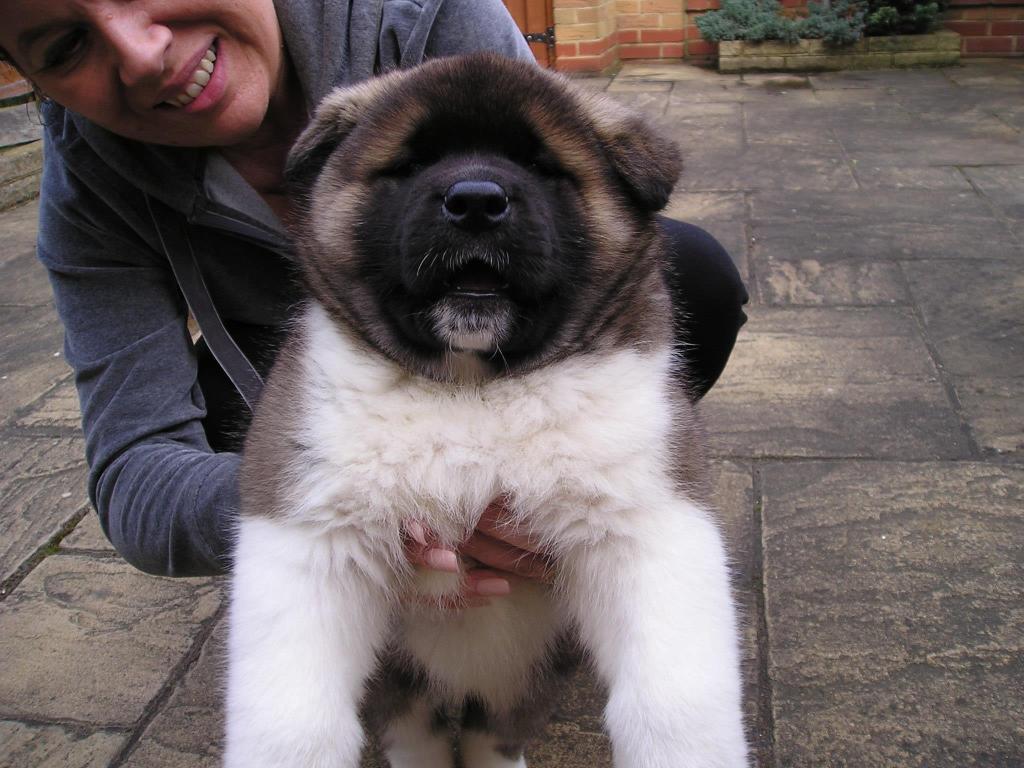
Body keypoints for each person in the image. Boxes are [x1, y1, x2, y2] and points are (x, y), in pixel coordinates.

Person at [1, 0, 748, 595]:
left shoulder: (428, 18)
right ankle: (339, 589)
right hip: (299, 406)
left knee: (690, 275)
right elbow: (137, 478)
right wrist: (349, 507)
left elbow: (552, 224)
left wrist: (557, 486)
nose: (138, 52)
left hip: (508, 358)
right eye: (65, 47)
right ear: (32, 81)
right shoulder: (88, 188)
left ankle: (556, 537)